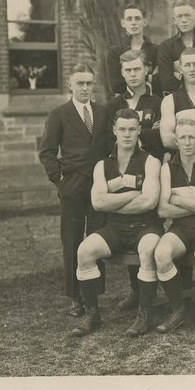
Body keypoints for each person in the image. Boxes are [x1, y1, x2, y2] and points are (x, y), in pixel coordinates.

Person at [69, 108, 162, 337]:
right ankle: (93, 314)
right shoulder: (102, 165)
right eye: (122, 129)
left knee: (148, 249)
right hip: (115, 228)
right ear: (114, 131)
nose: (127, 134)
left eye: (132, 129)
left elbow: (149, 202)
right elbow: (97, 203)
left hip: (146, 226)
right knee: (84, 251)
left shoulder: (151, 162)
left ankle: (144, 314)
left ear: (139, 131)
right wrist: (133, 193)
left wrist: (112, 199)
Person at [130, 120, 195, 336]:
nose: (187, 142)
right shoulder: (167, 168)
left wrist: (178, 199)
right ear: (175, 141)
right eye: (182, 137)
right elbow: (163, 210)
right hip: (180, 229)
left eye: (191, 137)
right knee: (161, 253)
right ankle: (179, 308)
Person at [38, 63, 111, 317]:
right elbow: (47, 152)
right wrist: (60, 180)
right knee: (72, 239)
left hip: (98, 185)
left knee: (96, 236)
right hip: (73, 185)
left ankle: (93, 292)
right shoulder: (59, 114)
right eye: (80, 83)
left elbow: (108, 145)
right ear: (70, 84)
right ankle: (75, 296)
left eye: (89, 83)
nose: (85, 88)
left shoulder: (102, 112)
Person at [104, 50, 164, 311]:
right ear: (122, 73)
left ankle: (161, 286)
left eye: (137, 69)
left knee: (151, 226)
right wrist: (146, 134)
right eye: (127, 70)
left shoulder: (158, 101)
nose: (132, 74)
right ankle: (135, 290)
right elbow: (109, 140)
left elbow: (162, 137)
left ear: (146, 70)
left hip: (153, 169)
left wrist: (142, 138)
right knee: (128, 223)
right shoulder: (113, 105)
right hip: (124, 171)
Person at [157, 1, 195, 94]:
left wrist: (178, 73)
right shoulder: (165, 47)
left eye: (187, 15)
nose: (184, 20)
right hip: (177, 97)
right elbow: (166, 82)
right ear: (174, 20)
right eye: (179, 16)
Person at [104, 3, 158, 97]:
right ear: (123, 23)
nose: (133, 23)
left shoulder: (156, 50)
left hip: (151, 100)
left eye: (137, 18)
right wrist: (149, 78)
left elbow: (160, 83)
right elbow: (116, 86)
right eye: (129, 19)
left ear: (144, 22)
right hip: (124, 102)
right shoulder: (114, 52)